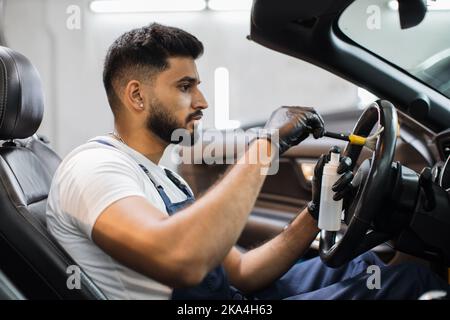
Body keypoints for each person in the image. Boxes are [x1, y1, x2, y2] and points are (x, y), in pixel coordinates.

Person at [46, 23, 449, 300]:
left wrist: (316, 210)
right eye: (185, 87)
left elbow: (240, 272)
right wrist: (266, 145)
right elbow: (182, 260)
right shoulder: (94, 167)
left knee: (370, 264)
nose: (201, 102)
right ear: (136, 96)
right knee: (410, 280)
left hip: (231, 296)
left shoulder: (162, 177)